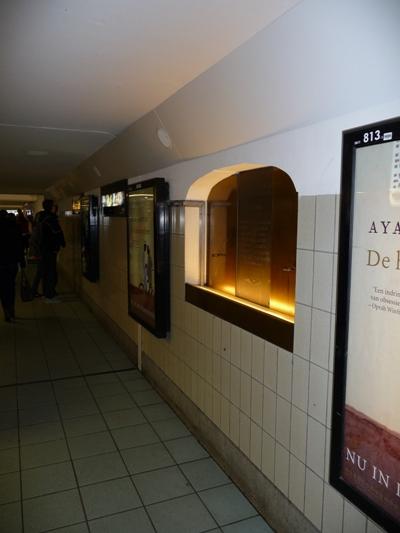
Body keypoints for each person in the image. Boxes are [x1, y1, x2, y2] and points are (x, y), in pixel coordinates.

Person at [33, 199, 66, 302]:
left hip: (41, 248)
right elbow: (58, 233)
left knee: (44, 271)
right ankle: (49, 294)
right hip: (50, 249)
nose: (55, 208)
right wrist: (62, 243)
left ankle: (43, 291)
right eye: (54, 206)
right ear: (51, 207)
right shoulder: (51, 219)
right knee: (51, 271)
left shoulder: (39, 216)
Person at [0, 210, 26, 321]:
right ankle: (11, 311)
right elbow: (19, 247)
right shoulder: (14, 228)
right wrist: (22, 262)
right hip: (11, 263)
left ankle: (6, 311)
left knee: (2, 288)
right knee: (10, 287)